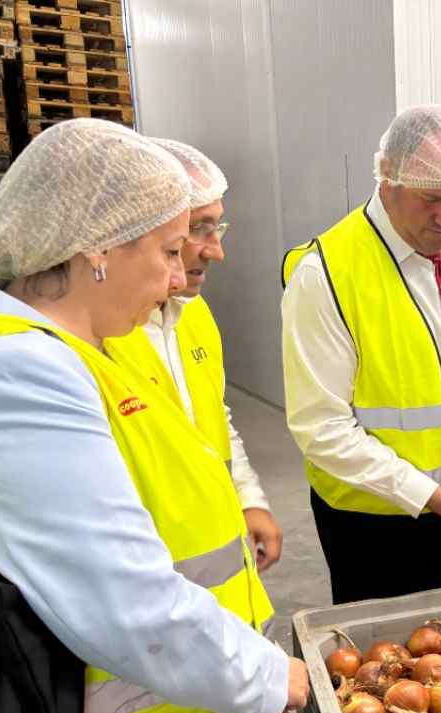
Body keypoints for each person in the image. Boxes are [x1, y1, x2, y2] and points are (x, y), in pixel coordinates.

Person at [0, 119, 307, 713]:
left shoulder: (94, 350)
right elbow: (124, 600)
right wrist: (263, 676)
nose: (177, 278)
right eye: (169, 251)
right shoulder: (19, 374)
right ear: (98, 253)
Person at [281, 104, 441, 604]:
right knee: (385, 666)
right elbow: (321, 427)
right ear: (387, 181)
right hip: (375, 521)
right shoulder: (326, 274)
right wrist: (427, 496)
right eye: (431, 200)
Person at [109, 138, 283, 571]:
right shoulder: (100, 332)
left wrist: (249, 499)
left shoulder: (194, 313)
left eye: (217, 228)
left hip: (219, 573)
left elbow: (213, 418)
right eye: (199, 229)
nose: (216, 250)